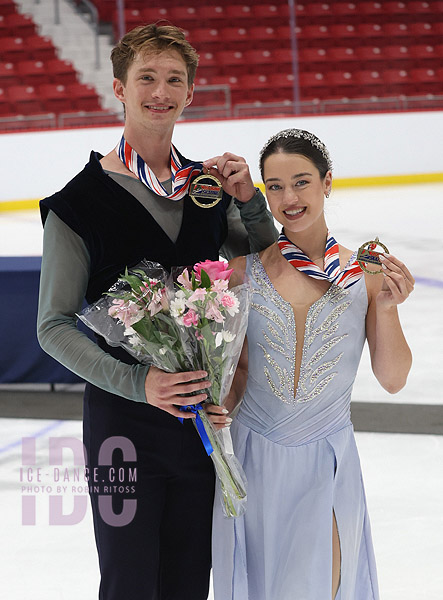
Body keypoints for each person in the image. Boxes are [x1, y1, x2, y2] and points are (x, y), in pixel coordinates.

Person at [36, 24, 277, 600]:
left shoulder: (206, 189)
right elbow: (52, 327)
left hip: (199, 423)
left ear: (191, 93)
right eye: (146, 77)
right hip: (121, 428)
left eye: (174, 80)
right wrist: (140, 382)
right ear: (120, 87)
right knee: (130, 582)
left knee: (190, 579)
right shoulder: (76, 203)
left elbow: (260, 256)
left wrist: (250, 200)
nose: (160, 91)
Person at [205, 128, 414, 600]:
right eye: (274, 186)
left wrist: (386, 308)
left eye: (301, 182)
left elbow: (394, 378)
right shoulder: (242, 273)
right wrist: (214, 404)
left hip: (326, 461)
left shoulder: (366, 274)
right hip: (251, 460)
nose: (288, 198)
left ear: (327, 183)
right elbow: (234, 376)